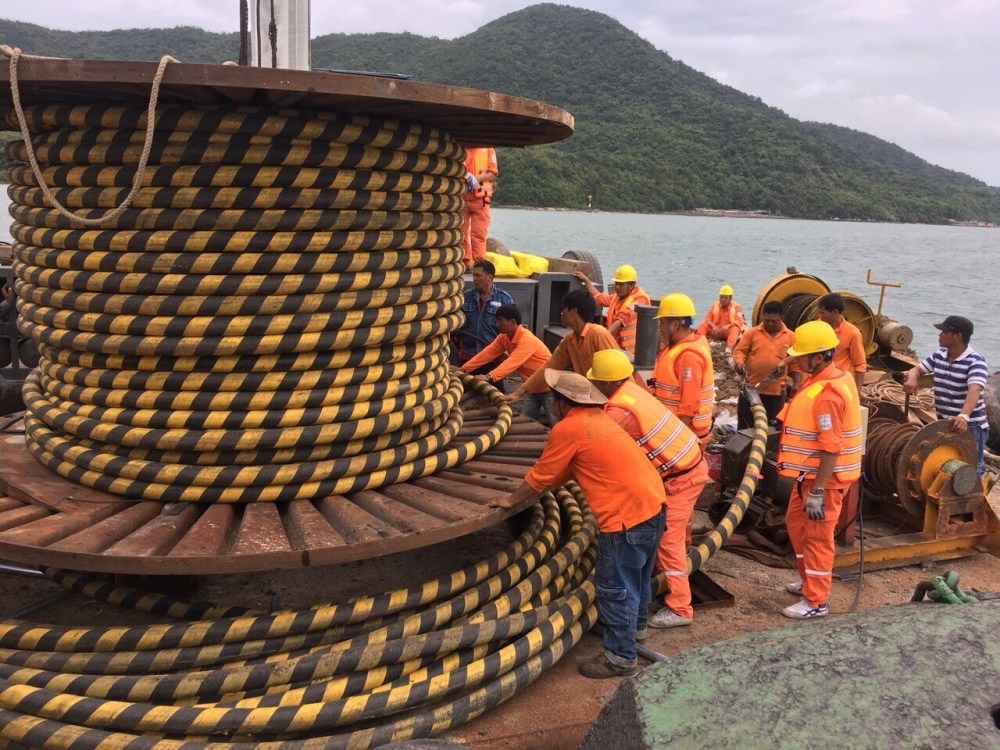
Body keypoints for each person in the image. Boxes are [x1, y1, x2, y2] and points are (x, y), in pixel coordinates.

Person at [487, 370, 666, 678]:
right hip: (653, 507)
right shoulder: (600, 421)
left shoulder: (568, 428)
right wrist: (547, 485)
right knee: (637, 579)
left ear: (561, 403)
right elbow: (569, 469)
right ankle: (634, 635)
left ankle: (621, 658)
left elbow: (542, 475)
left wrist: (510, 500)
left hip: (625, 520)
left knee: (615, 588)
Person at [587, 349, 709, 630]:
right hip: (684, 466)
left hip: (681, 478)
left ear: (606, 383)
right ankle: (656, 582)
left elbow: (595, 447)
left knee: (668, 542)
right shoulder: (631, 391)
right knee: (661, 535)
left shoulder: (619, 411)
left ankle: (680, 607)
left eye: (595, 382)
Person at [776, 320, 863, 619]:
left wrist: (817, 492)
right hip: (809, 479)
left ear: (819, 356)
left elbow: (831, 446)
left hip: (823, 483)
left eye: (802, 355)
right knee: (797, 526)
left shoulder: (827, 395)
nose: (798, 360)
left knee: (817, 538)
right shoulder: (833, 376)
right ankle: (807, 582)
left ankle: (816, 602)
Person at [501, 288, 619, 422]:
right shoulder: (569, 340)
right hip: (589, 401)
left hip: (609, 404)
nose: (561, 313)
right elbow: (549, 367)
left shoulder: (599, 334)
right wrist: (518, 393)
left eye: (564, 310)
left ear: (574, 311)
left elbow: (617, 376)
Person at [903, 315, 989, 477]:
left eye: (944, 332)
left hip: (971, 426)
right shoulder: (940, 355)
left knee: (971, 470)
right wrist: (913, 378)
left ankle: (974, 500)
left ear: (958, 336)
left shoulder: (975, 362)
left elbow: (975, 389)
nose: (940, 335)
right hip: (945, 422)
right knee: (948, 466)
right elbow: (916, 370)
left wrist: (963, 416)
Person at [458, 303, 553, 422]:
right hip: (530, 388)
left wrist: (489, 376)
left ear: (512, 322)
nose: (497, 324)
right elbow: (488, 353)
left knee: (555, 422)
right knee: (527, 422)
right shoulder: (504, 337)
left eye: (500, 320)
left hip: (549, 388)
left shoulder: (526, 339)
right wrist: (464, 368)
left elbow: (512, 362)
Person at [652, 293, 715, 445]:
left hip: (686, 434)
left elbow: (689, 405)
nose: (659, 328)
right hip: (675, 428)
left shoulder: (689, 357)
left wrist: (673, 438)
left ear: (674, 324)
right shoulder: (680, 345)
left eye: (662, 323)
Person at [732, 300, 801, 428]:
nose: (769, 323)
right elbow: (740, 351)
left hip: (776, 393)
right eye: (766, 320)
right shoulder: (752, 333)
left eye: (774, 321)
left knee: (771, 430)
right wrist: (739, 364)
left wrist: (796, 384)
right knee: (746, 428)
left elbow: (795, 363)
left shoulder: (791, 336)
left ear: (782, 318)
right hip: (751, 388)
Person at [456, 260, 515, 385]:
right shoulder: (466, 298)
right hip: (468, 356)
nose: (474, 279)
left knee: (495, 392)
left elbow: (512, 330)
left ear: (490, 277)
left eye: (478, 276)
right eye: (473, 275)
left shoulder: (504, 299)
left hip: (493, 359)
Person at [572, 264, 651, 356]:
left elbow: (622, 319)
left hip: (632, 352)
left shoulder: (640, 299)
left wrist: (603, 337)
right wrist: (587, 281)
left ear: (632, 285)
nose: (617, 287)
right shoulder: (617, 297)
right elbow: (600, 298)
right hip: (616, 347)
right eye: (616, 283)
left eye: (621, 284)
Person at [815, 293, 867, 392]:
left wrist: (857, 391)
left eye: (822, 313)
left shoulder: (853, 333)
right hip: (816, 382)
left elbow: (860, 364)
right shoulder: (816, 327)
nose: (819, 316)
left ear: (835, 312)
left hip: (837, 384)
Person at [462, 146, 498, 266]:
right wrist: (465, 176)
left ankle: (479, 264)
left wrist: (477, 179)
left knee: (479, 234)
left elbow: (493, 172)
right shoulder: (460, 149)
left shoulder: (488, 149)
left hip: (480, 200)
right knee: (460, 232)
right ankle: (464, 262)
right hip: (462, 197)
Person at [696, 284, 745, 350]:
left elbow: (740, 321)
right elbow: (707, 319)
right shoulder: (715, 305)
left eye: (725, 298)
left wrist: (727, 326)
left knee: (735, 329)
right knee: (702, 325)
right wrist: (713, 326)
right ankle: (699, 343)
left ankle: (729, 347)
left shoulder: (736, 307)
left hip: (727, 330)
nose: (723, 300)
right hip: (715, 329)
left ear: (730, 298)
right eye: (721, 297)